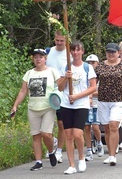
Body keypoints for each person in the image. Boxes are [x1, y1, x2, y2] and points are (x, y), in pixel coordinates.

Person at [11, 48, 61, 171]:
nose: (38, 59)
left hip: (48, 107)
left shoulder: (52, 72)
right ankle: (38, 161)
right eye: (36, 57)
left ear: (45, 59)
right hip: (33, 108)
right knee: (36, 135)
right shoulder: (29, 73)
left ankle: (51, 151)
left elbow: (61, 86)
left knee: (46, 134)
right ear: (33, 59)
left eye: (41, 57)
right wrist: (15, 105)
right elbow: (23, 91)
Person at [58, 41, 97, 174]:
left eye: (78, 50)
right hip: (66, 103)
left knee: (78, 134)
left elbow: (93, 87)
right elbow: (60, 87)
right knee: (68, 135)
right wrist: (65, 78)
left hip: (81, 104)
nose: (75, 52)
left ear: (82, 52)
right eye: (73, 50)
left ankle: (81, 157)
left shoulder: (87, 68)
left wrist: (77, 96)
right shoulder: (66, 66)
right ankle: (71, 165)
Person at [95, 43, 122, 166]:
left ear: (118, 53)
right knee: (106, 128)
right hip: (102, 100)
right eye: (108, 52)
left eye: (113, 52)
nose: (111, 54)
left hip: (118, 100)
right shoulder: (100, 66)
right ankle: (110, 153)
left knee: (113, 125)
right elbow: (93, 81)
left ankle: (113, 156)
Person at [46, 30, 71, 163]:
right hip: (48, 92)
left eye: (62, 40)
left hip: (63, 92)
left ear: (66, 40)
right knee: (47, 124)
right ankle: (52, 142)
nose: (60, 43)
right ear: (54, 39)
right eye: (57, 40)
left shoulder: (69, 54)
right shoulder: (48, 52)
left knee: (61, 124)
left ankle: (60, 151)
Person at [83, 54, 104, 161]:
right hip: (85, 103)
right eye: (88, 63)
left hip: (97, 104)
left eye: (93, 62)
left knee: (95, 127)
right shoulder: (84, 74)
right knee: (86, 127)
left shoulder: (100, 75)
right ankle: (88, 150)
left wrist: (89, 92)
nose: (91, 64)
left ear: (97, 63)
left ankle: (99, 143)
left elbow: (101, 91)